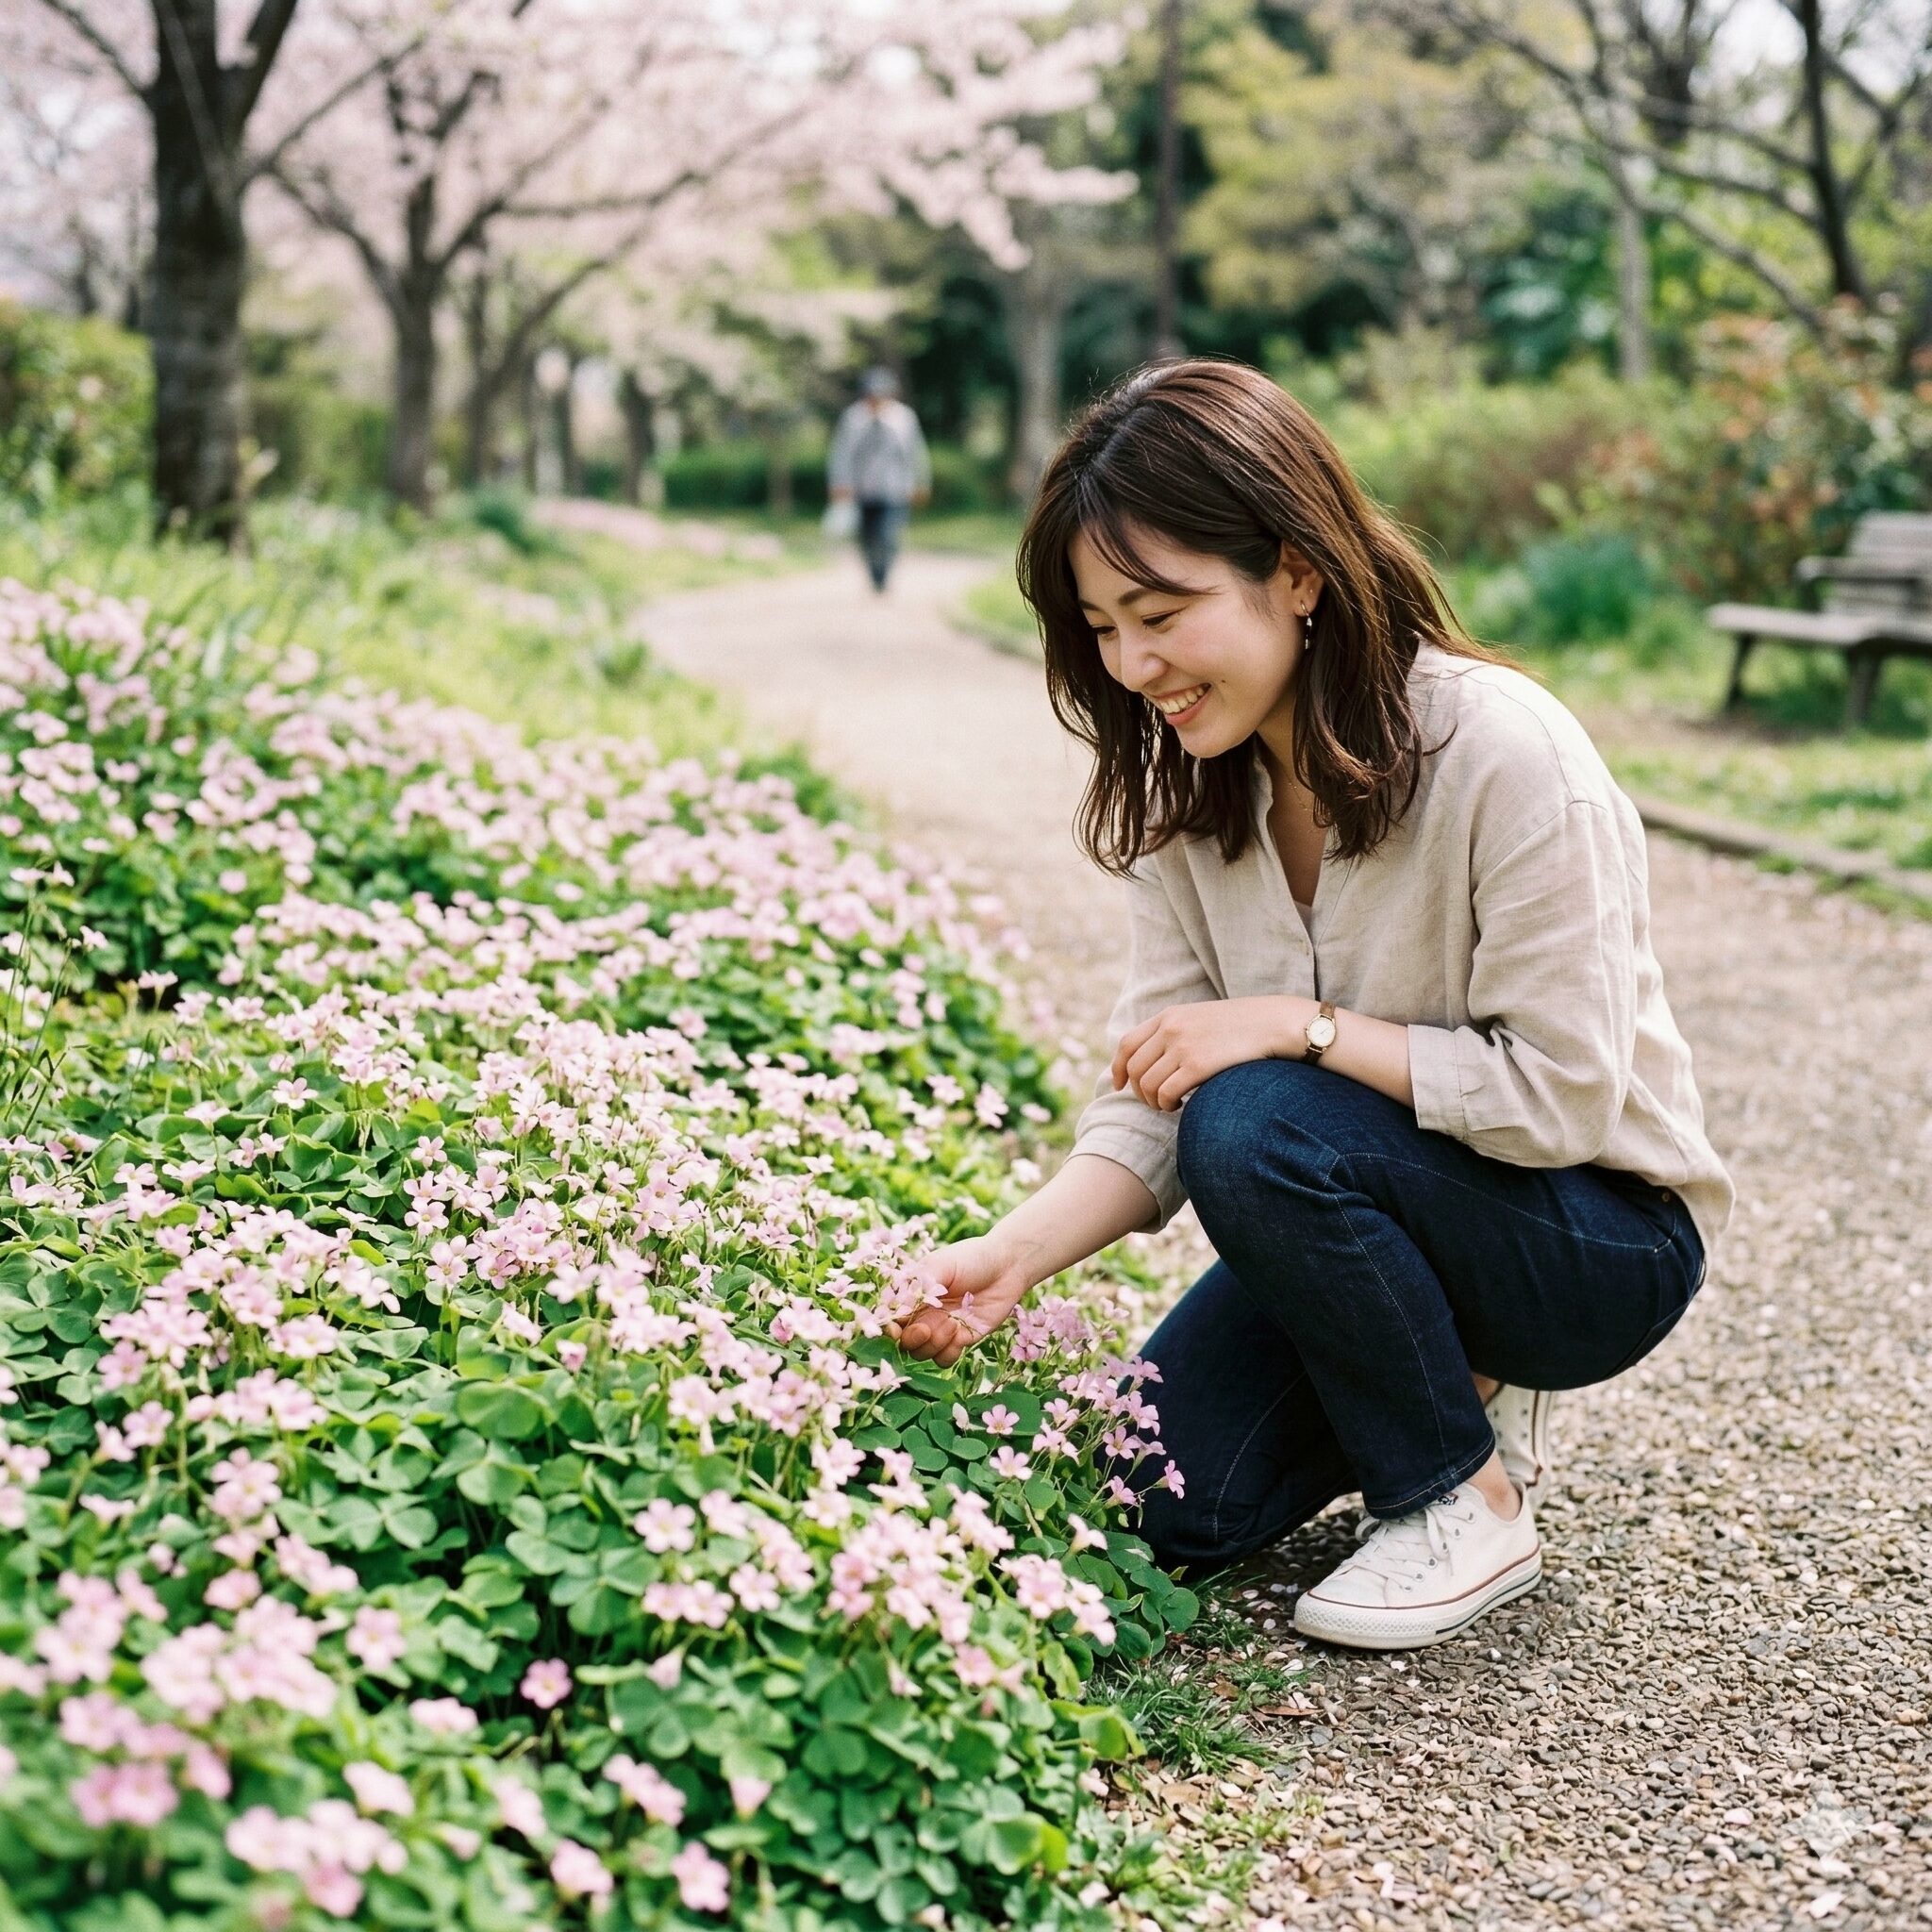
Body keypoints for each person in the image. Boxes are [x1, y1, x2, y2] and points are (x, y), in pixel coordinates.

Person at [888, 358, 1734, 1653]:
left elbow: (1562, 1096)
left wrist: (1298, 1024)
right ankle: (1441, 1368)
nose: (1133, 663)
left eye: (1161, 611)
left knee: (1252, 1115)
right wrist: (1010, 1256)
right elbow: (1156, 1090)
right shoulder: (1192, 791)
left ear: (1295, 571)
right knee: (1149, 1497)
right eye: (1102, 625)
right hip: (1375, 1194)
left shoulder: (1504, 753)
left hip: (1594, 1238)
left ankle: (1459, 1496)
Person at [827, 366, 931, 592]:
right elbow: (841, 453)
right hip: (862, 488)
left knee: (888, 534)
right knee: (866, 536)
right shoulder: (853, 418)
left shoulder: (904, 418)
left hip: (895, 488)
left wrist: (922, 482)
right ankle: (873, 572)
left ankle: (884, 572)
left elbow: (916, 453)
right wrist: (839, 482)